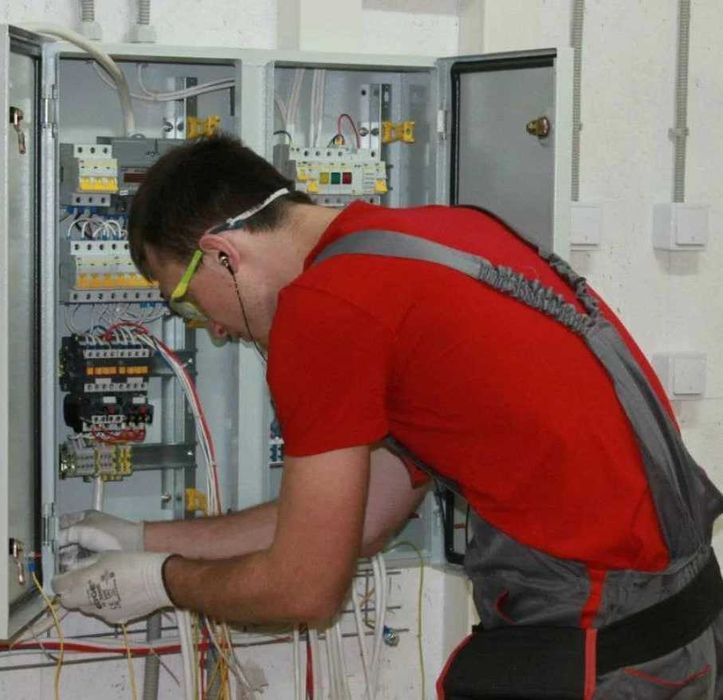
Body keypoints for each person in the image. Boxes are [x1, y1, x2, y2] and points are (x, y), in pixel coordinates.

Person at [54, 134, 723, 699]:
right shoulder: (441, 234)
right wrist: (144, 538)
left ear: (223, 254)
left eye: (187, 302)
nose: (216, 330)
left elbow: (304, 590)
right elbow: (367, 514)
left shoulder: (323, 310)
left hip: (601, 649)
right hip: (684, 632)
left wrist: (163, 583)